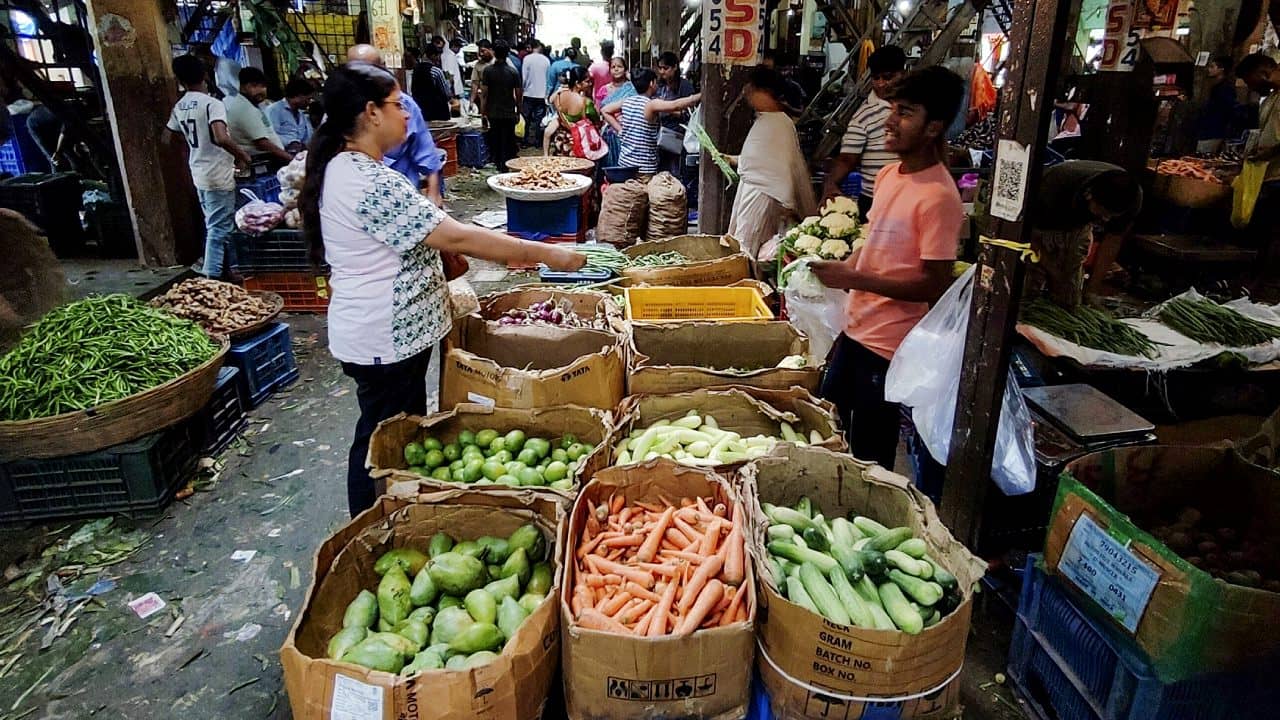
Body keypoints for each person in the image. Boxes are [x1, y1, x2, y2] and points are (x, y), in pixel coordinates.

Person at [299, 63, 586, 516]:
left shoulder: (352, 169)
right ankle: (372, 521)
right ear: (371, 113)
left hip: (386, 336)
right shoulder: (367, 181)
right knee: (380, 439)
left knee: (396, 431)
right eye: (397, 105)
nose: (407, 115)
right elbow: (456, 236)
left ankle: (394, 510)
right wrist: (548, 255)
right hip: (384, 338)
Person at [810, 66, 966, 500]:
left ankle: (863, 517)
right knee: (826, 420)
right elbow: (875, 241)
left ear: (934, 127)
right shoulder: (888, 175)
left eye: (906, 113)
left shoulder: (939, 196)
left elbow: (932, 284)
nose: (890, 121)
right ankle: (827, 499)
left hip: (890, 347)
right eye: (892, 109)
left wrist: (855, 276)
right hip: (856, 328)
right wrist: (845, 266)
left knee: (872, 452)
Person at [164, 54, 252, 280]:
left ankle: (225, 272)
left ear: (180, 79)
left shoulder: (180, 106)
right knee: (219, 228)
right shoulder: (212, 104)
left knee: (215, 222)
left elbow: (167, 138)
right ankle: (211, 280)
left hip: (198, 171)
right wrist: (242, 155)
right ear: (205, 74)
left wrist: (194, 146)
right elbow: (221, 137)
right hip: (217, 173)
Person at [724, 67, 817, 259]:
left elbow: (778, 166)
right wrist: (732, 159)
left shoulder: (778, 123)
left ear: (767, 93)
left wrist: (786, 201)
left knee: (751, 250)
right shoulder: (766, 120)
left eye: (752, 90)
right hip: (754, 192)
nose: (747, 94)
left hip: (765, 196)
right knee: (745, 246)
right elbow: (759, 159)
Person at [1027, 161, 1141, 308]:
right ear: (1089, 195)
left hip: (1078, 226)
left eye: (1112, 215)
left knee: (1069, 296)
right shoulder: (1054, 185)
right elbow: (1026, 234)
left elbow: (1112, 240)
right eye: (1103, 212)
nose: (1106, 219)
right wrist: (1054, 272)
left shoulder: (1131, 198)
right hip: (1042, 226)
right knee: (1029, 289)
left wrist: (1092, 289)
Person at [348, 44, 443, 207]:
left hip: (403, 189)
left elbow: (424, 148)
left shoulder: (403, 104)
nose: (404, 115)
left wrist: (433, 192)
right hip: (360, 195)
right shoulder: (342, 109)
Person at [822, 45, 906, 219]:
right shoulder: (864, 116)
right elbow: (847, 159)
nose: (881, 83)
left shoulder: (917, 110)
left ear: (903, 74)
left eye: (888, 77)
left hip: (910, 200)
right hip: (875, 201)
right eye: (876, 78)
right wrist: (829, 185)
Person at [602, 68, 701, 179]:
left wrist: (620, 130)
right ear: (651, 83)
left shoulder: (627, 101)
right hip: (644, 168)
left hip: (625, 163)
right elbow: (675, 105)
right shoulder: (650, 104)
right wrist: (700, 96)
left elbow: (605, 110)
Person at [225, 66, 292, 163]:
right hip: (259, 163)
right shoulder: (245, 109)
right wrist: (290, 159)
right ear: (243, 87)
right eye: (254, 86)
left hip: (268, 159)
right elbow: (262, 143)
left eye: (263, 86)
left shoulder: (251, 105)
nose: (260, 90)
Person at [480, 40, 523, 169]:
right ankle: (506, 165)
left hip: (493, 112)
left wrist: (483, 113)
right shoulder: (513, 72)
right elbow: (519, 95)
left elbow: (484, 94)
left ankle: (498, 164)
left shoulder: (488, 71)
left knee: (496, 140)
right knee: (508, 140)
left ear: (494, 52)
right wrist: (518, 112)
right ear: (507, 54)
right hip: (508, 112)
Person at [654, 51, 695, 177]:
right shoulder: (660, 86)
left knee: (676, 174)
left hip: (678, 138)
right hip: (660, 137)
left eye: (665, 68)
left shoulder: (685, 86)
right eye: (660, 68)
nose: (662, 72)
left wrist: (668, 109)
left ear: (675, 67)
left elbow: (691, 115)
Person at [545, 66, 600, 156]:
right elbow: (596, 121)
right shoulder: (586, 102)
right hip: (578, 142)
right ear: (577, 83)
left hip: (561, 141)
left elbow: (552, 103)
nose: (590, 84)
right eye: (587, 81)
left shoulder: (558, 96)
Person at [599, 56, 637, 167]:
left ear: (625, 69)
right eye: (613, 67)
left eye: (619, 66)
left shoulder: (632, 88)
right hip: (609, 133)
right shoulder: (604, 90)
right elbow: (599, 111)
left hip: (628, 132)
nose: (616, 69)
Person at [266, 78, 315, 154]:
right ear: (299, 96)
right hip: (281, 155)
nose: (309, 102)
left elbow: (309, 137)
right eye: (308, 99)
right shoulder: (274, 110)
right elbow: (270, 135)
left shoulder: (302, 115)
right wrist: (290, 142)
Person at [520, 40, 551, 146]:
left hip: (528, 93)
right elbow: (548, 79)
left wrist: (522, 89)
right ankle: (538, 142)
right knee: (539, 120)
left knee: (526, 119)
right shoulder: (546, 60)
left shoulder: (527, 59)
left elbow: (524, 77)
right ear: (538, 47)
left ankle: (525, 141)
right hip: (541, 94)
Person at [412, 44, 454, 121]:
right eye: (438, 56)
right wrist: (449, 82)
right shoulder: (436, 71)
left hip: (421, 111)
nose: (439, 58)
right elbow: (446, 93)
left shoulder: (416, 70)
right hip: (437, 112)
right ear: (433, 56)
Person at [470, 39, 495, 108]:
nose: (481, 54)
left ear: (490, 49)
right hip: (483, 100)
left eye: (483, 51)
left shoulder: (498, 63)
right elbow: (475, 84)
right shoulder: (478, 65)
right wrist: (471, 101)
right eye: (479, 51)